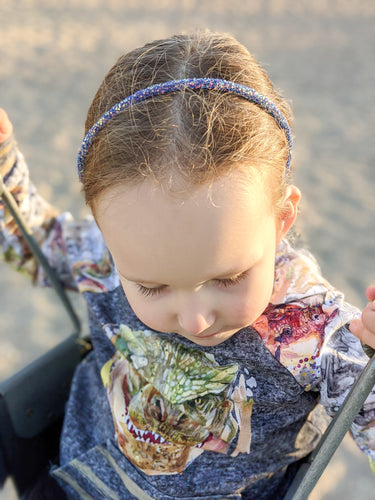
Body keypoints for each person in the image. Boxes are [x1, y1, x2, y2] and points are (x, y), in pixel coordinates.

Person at [1, 31, 375, 500]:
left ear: (281, 220)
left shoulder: (313, 329)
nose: (195, 319)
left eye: (228, 278)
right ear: (108, 234)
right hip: (77, 485)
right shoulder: (108, 255)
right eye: (153, 288)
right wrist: (4, 175)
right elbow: (35, 247)